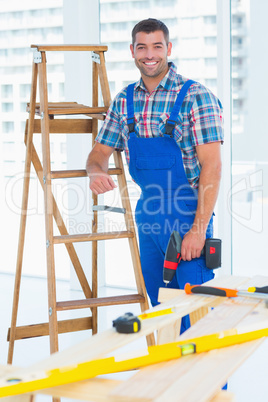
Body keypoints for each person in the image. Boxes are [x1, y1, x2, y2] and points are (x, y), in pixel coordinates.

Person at [86, 18, 223, 333]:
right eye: (142, 47)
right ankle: (167, 380)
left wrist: (199, 231)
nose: (150, 54)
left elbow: (212, 168)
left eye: (157, 46)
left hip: (188, 212)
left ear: (168, 49)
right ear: (133, 51)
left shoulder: (195, 96)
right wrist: (96, 172)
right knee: (161, 310)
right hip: (148, 216)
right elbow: (97, 155)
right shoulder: (124, 101)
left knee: (197, 309)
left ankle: (208, 384)